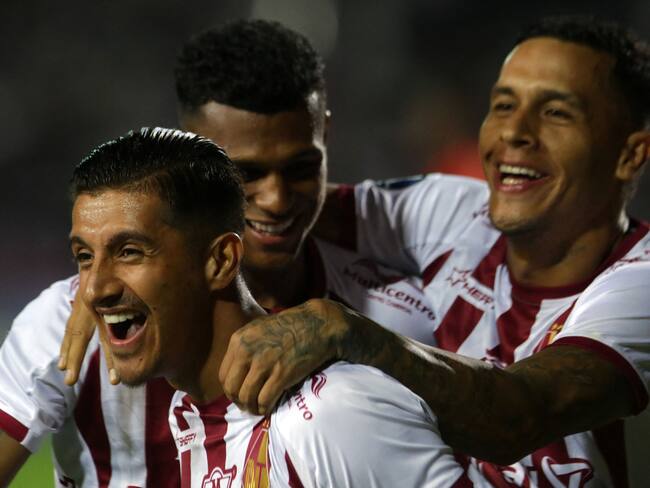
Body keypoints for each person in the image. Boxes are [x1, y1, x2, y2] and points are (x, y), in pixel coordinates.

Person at [217, 16, 650, 486]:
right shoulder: (454, 213)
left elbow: (522, 414)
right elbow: (276, 205)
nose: (514, 132)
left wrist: (348, 332)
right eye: (503, 105)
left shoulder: (638, 281)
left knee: (329, 410)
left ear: (630, 155)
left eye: (556, 113)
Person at [0, 20, 436, 486]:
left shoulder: (362, 367)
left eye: (299, 168)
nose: (276, 199)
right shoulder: (64, 334)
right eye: (244, 174)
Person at [70, 126, 468, 487]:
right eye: (85, 256)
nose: (95, 290)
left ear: (221, 261)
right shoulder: (191, 414)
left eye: (129, 252)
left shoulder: (329, 414)